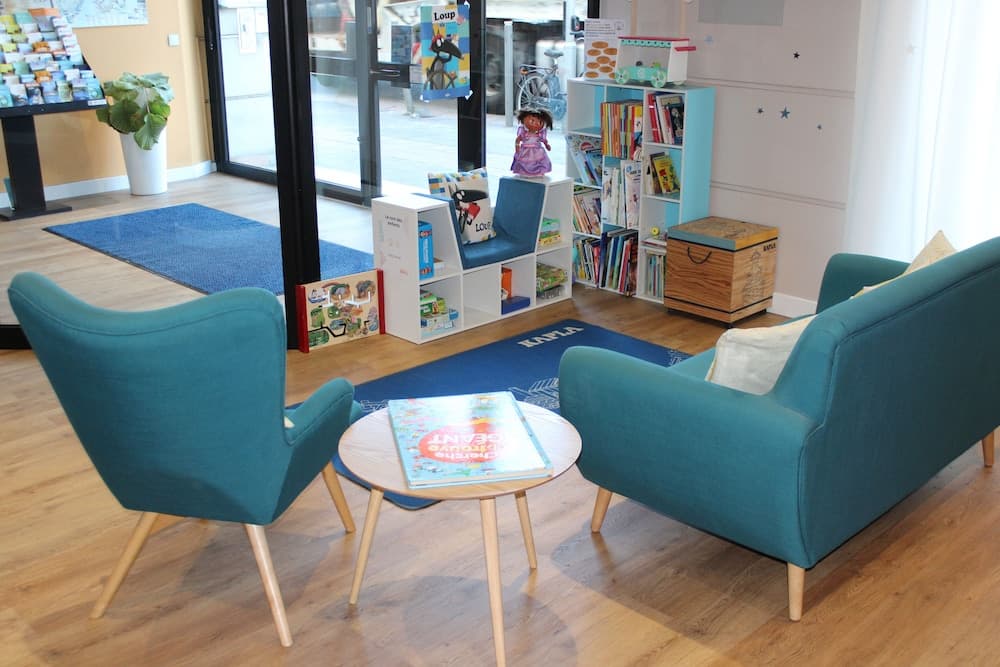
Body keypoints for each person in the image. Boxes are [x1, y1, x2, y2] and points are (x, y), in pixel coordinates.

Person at [510, 108, 553, 176]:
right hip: (525, 151)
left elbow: (544, 140)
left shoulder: (539, 134)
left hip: (537, 151)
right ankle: (524, 172)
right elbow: (518, 139)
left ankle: (538, 171)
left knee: (538, 161)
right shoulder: (524, 133)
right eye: (532, 121)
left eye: (540, 122)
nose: (536, 124)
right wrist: (517, 145)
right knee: (525, 162)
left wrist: (547, 145)